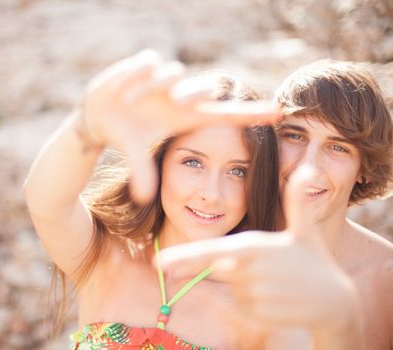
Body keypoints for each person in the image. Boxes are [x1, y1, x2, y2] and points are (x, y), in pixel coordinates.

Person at [23, 50, 281, 349]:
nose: (211, 193)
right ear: (161, 162)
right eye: (193, 163)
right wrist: (87, 128)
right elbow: (46, 202)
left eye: (238, 171)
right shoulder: (105, 256)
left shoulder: (261, 312)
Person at [159, 60, 393, 349]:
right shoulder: (215, 232)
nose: (308, 166)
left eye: (338, 147)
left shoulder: (386, 279)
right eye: (295, 136)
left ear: (364, 169)